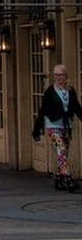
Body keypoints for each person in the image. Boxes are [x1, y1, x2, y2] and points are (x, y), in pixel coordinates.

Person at [32, 64, 82, 192]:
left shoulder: (70, 90)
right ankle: (68, 180)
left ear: (66, 76)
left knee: (64, 153)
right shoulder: (50, 91)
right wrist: (37, 129)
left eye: (61, 75)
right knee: (61, 152)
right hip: (53, 126)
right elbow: (42, 110)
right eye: (56, 75)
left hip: (67, 125)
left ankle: (59, 180)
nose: (58, 77)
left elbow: (76, 107)